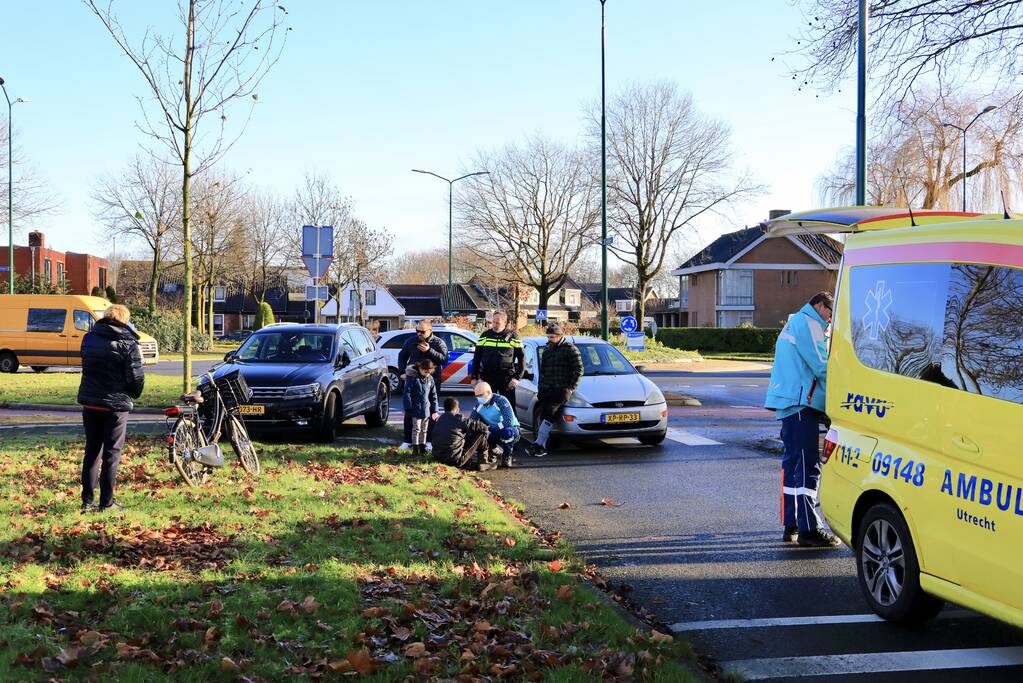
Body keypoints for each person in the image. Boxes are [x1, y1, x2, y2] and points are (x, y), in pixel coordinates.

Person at [765, 291, 840, 548]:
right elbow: (822, 366)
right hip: (801, 404)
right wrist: (843, 394)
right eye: (830, 312)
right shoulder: (809, 323)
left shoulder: (795, 322)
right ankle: (810, 529)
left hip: (789, 404)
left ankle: (792, 524)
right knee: (808, 467)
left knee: (793, 466)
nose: (830, 320)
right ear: (819, 305)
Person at [76, 304, 145, 513]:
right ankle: (106, 503)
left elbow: (87, 366)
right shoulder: (129, 344)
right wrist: (133, 394)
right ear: (125, 320)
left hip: (90, 402)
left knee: (92, 452)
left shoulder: (88, 339)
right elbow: (135, 379)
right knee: (111, 454)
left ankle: (87, 501)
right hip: (115, 405)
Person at [528, 324, 583, 458]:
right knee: (545, 415)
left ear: (560, 336)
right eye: (548, 337)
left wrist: (570, 388)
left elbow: (579, 370)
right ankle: (541, 446)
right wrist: (540, 388)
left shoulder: (570, 349)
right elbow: (543, 371)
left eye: (552, 337)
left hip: (561, 389)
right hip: (546, 389)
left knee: (549, 414)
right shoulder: (547, 350)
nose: (550, 339)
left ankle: (538, 444)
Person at [398, 320, 448, 451]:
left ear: (430, 331)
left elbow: (444, 359)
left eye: (422, 331)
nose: (419, 334)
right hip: (413, 380)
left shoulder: (438, 343)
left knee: (431, 411)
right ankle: (408, 441)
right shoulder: (411, 341)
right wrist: (402, 372)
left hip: (431, 381)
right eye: (417, 331)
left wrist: (429, 350)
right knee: (409, 410)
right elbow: (402, 356)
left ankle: (428, 441)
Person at [471, 311, 525, 403]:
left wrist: (517, 378)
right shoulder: (485, 336)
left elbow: (522, 359)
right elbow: (477, 357)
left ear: (505, 322)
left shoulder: (513, 337)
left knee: (508, 405)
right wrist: (474, 377)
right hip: (488, 376)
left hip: (506, 377)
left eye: (497, 323)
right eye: (493, 322)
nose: (494, 325)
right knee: (487, 404)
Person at [431, 397, 492, 470]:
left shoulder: (440, 419)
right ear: (457, 409)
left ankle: (471, 461)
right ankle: (483, 462)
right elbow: (483, 427)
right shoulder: (459, 418)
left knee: (458, 436)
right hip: (455, 460)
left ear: (445, 409)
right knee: (481, 434)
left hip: (437, 457)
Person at [472, 381, 520, 469]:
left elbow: (508, 421)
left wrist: (490, 429)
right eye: (477, 396)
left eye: (481, 395)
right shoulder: (478, 406)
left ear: (488, 393)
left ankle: (507, 454)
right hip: (492, 431)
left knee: (507, 432)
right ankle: (492, 452)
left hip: (510, 429)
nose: (479, 399)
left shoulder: (501, 401)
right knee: (477, 433)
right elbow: (472, 423)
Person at [403, 358, 440, 457]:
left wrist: (435, 410)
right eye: (425, 372)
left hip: (426, 409)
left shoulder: (430, 379)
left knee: (424, 430)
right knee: (416, 429)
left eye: (429, 372)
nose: (427, 374)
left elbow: (433, 395)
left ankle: (422, 448)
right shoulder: (413, 378)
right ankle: (415, 449)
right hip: (415, 409)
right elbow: (407, 393)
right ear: (420, 369)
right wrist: (408, 408)